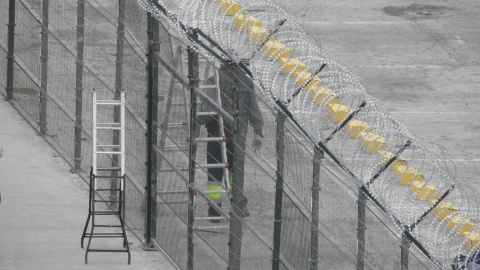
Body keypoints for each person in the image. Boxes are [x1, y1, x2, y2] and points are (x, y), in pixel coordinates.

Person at [200, 60, 263, 222]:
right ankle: (239, 205)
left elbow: (206, 111)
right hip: (238, 135)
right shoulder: (246, 82)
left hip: (216, 134)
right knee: (235, 173)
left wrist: (198, 119)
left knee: (214, 176)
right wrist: (258, 132)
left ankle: (214, 214)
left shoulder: (214, 81)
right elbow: (253, 108)